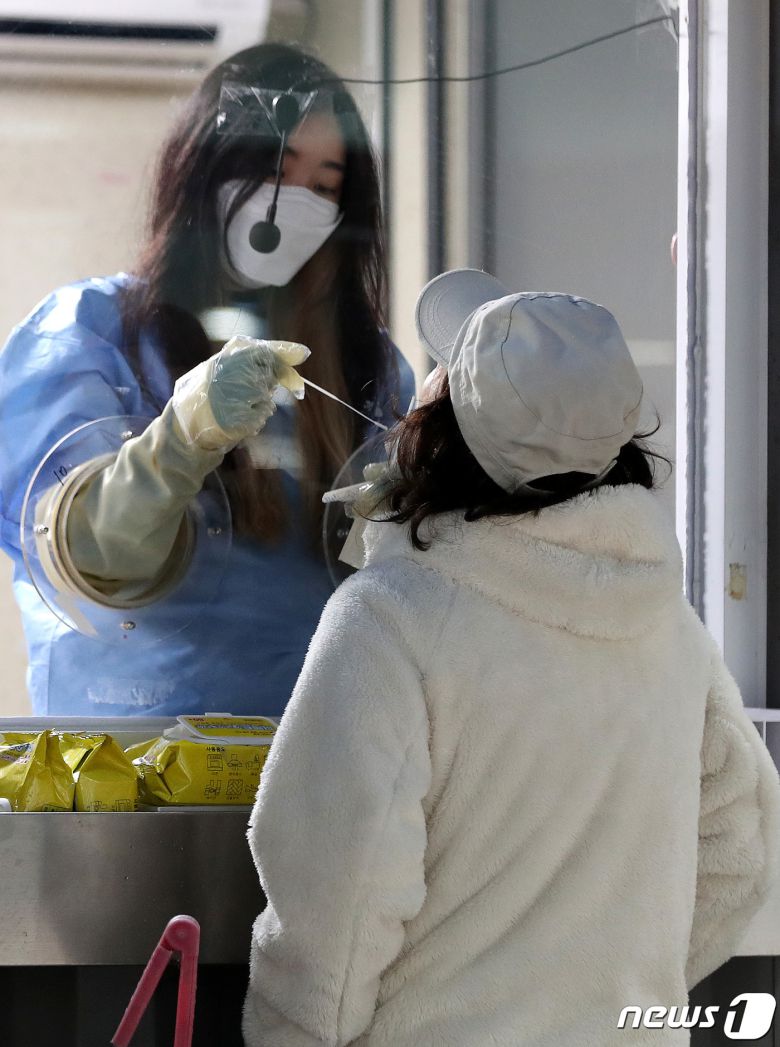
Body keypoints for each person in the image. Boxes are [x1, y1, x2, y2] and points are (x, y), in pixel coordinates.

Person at [242, 269, 780, 1046]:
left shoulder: (390, 622)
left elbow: (339, 901)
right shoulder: (669, 628)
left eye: (442, 376)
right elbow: (737, 856)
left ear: (444, 431)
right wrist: (605, 997)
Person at [0, 42, 414, 717]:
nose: (292, 205)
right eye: (275, 170)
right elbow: (84, 553)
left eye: (324, 186)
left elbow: (405, 578)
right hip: (131, 758)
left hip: (317, 749)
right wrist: (182, 441)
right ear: (203, 167)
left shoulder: (368, 368)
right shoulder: (88, 335)